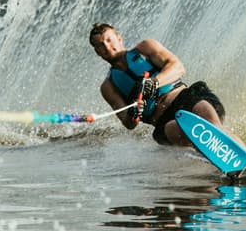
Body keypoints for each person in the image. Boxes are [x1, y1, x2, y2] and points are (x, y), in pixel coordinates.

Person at [89, 22, 237, 148]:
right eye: (101, 45)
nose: (107, 47)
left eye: (109, 40)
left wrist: (155, 82)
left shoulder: (145, 48)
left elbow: (178, 67)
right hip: (163, 121)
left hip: (186, 98)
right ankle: (223, 164)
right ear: (97, 52)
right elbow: (128, 123)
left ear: (119, 38)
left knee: (205, 114)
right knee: (175, 130)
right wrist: (134, 114)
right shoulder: (108, 87)